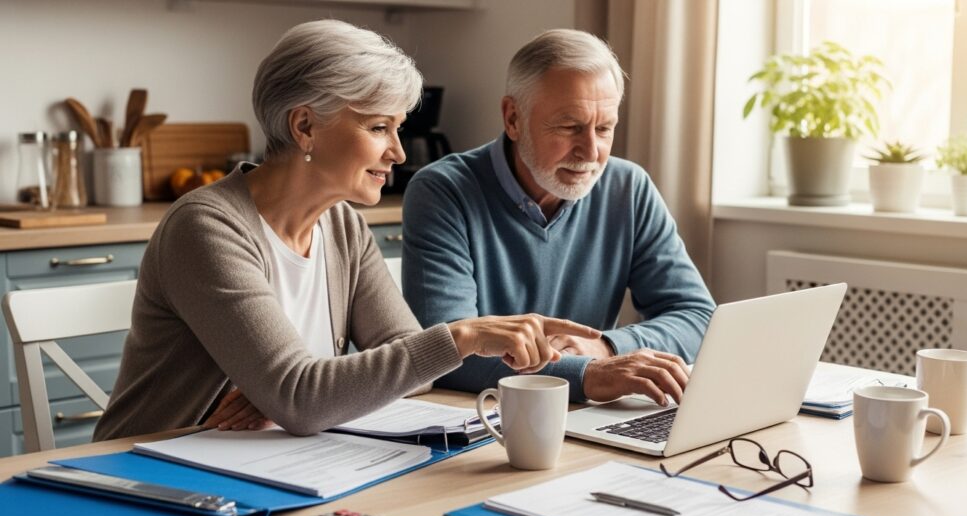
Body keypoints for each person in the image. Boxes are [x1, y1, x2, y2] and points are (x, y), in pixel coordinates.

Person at [94, 20, 600, 441]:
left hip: (258, 465)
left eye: (397, 128)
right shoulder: (206, 229)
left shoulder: (342, 228)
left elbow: (415, 375)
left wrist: (296, 392)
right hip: (144, 474)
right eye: (379, 127)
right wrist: (462, 336)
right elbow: (306, 398)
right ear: (305, 127)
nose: (398, 153)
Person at [402, 29, 716, 407]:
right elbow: (446, 353)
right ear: (513, 118)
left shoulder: (628, 187)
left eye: (604, 128)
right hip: (490, 417)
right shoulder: (442, 191)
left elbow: (698, 317)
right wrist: (588, 374)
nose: (591, 151)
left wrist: (605, 345)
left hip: (591, 412)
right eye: (569, 127)